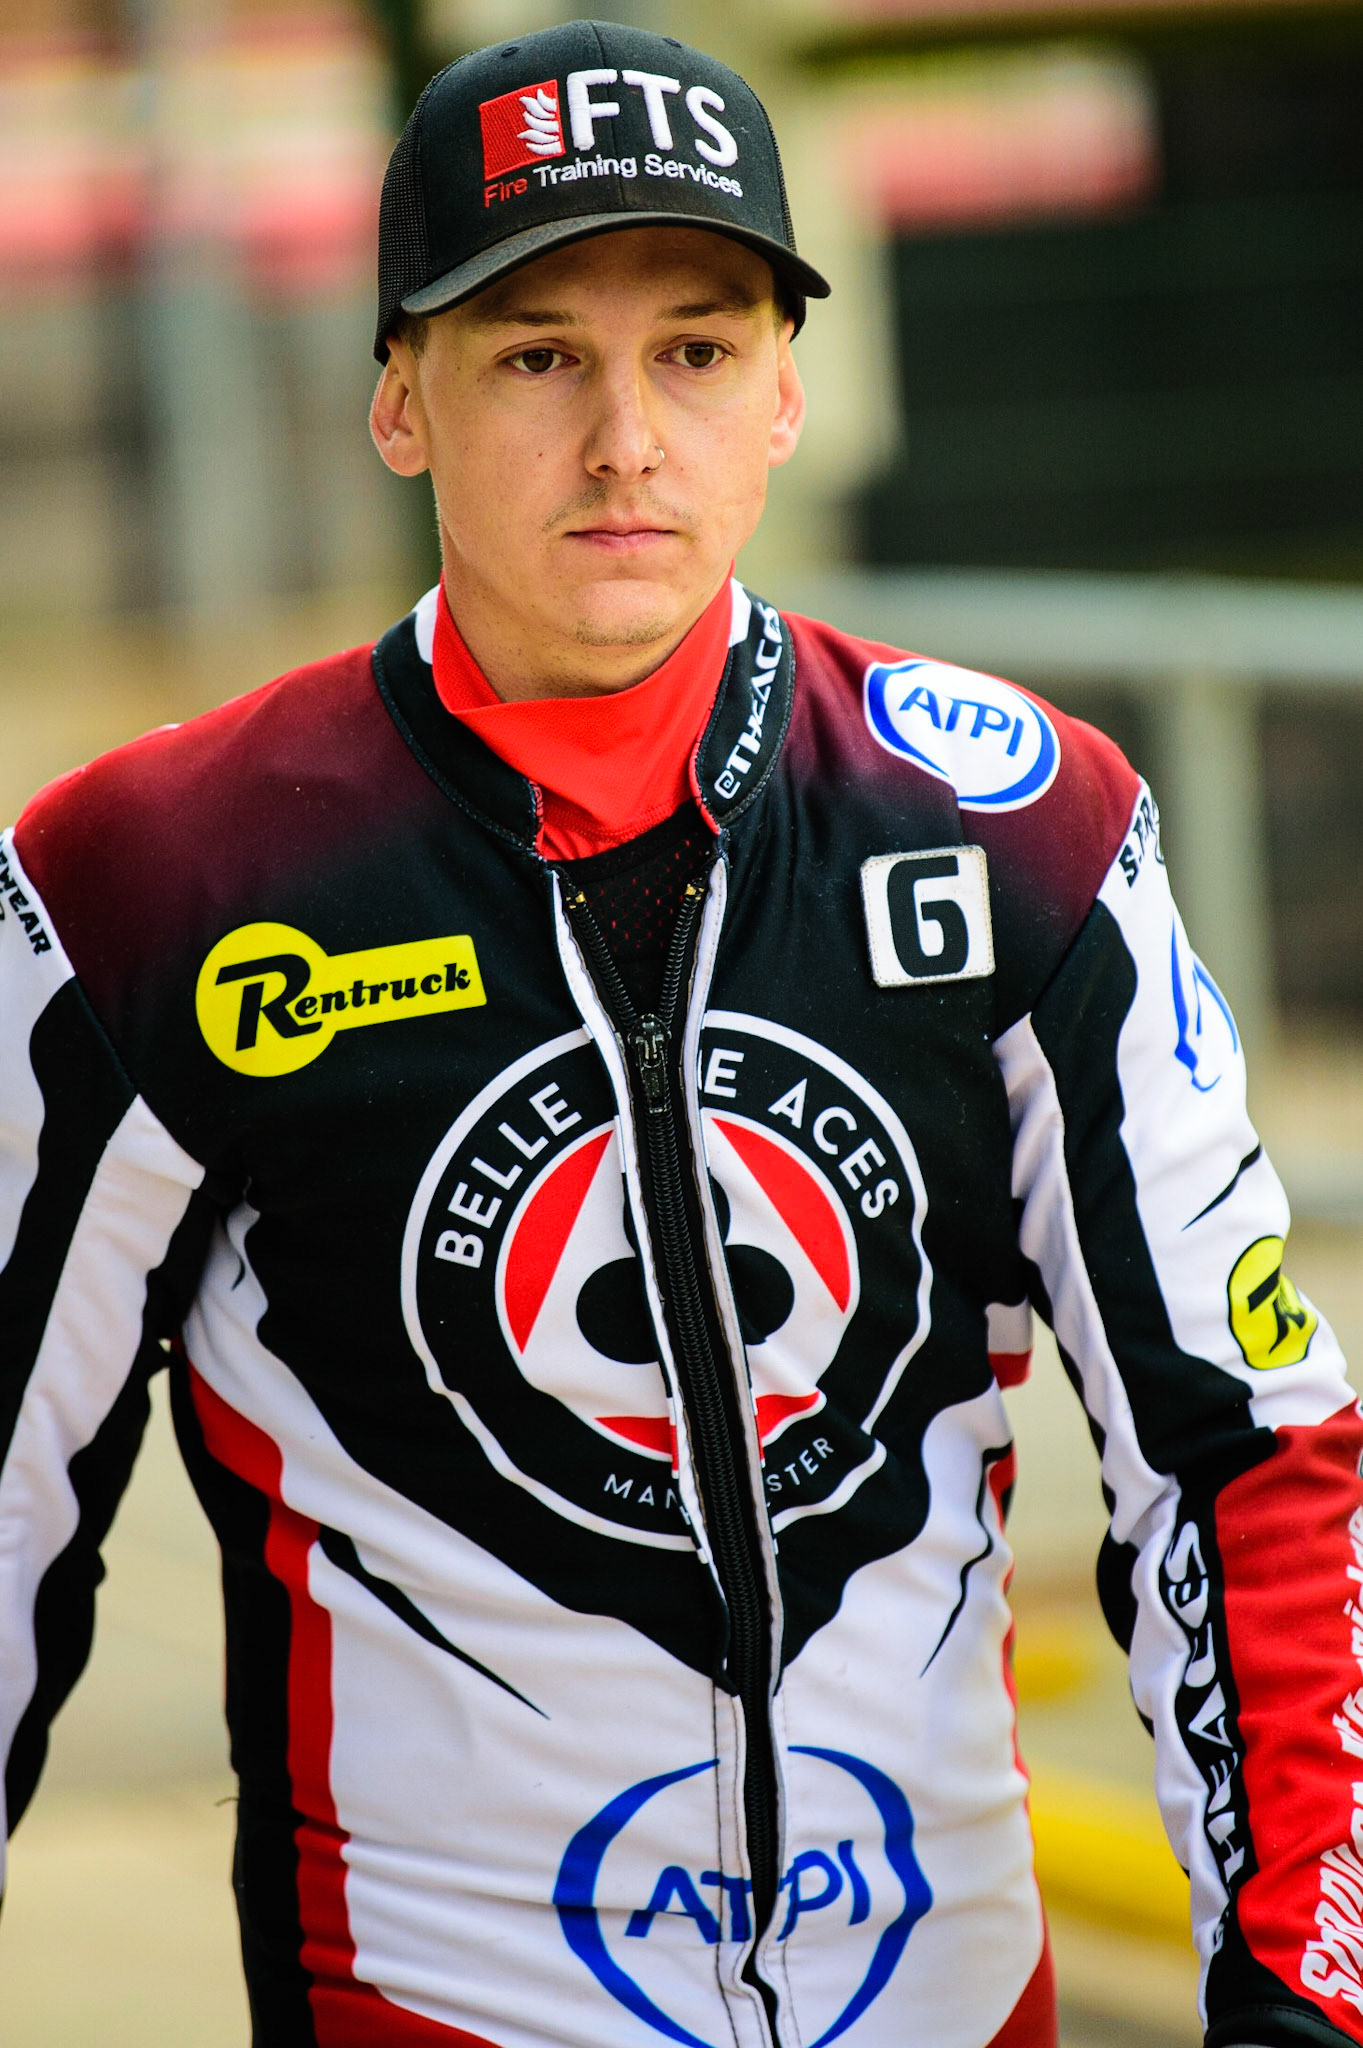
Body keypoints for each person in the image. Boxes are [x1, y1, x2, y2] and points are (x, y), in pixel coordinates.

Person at [1, 20, 1359, 2048]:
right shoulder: (150, 880)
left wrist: (1308, 1992)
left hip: (944, 1998)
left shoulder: (1024, 833)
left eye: (699, 351)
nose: (626, 439)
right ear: (398, 399)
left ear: (788, 389)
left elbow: (1247, 1462)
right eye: (538, 357)